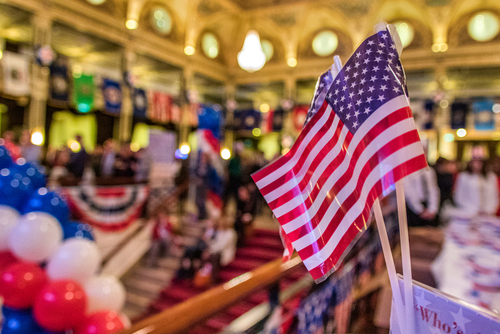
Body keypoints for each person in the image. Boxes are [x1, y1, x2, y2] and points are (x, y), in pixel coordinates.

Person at [205, 218, 237, 283]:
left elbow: (222, 246)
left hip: (225, 253)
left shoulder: (231, 233)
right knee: (205, 254)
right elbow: (215, 243)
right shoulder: (220, 231)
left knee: (215, 256)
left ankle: (214, 279)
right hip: (217, 251)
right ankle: (204, 278)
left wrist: (211, 251)